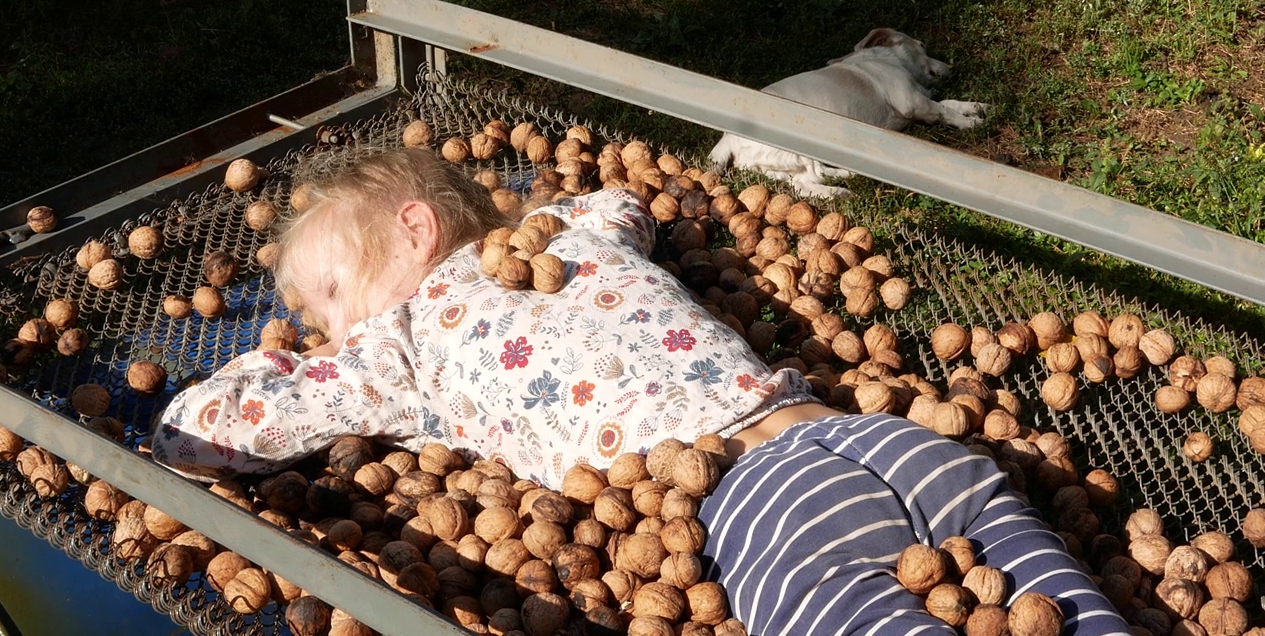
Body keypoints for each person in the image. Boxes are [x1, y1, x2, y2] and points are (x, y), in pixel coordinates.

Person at [151, 147, 1130, 635]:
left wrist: (214, 396)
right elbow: (623, 204)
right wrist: (547, 218)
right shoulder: (570, 236)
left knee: (823, 607)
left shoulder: (401, 342)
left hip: (750, 495)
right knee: (1036, 569)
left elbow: (232, 424)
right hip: (860, 431)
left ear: (412, 233)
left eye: (328, 296)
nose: (330, 330)